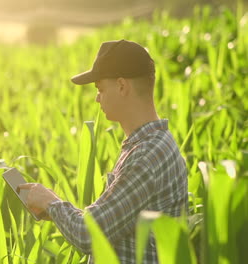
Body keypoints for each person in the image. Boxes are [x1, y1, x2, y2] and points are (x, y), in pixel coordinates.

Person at [18, 39, 188, 264]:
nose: (97, 98)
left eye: (100, 88)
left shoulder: (146, 156)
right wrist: (53, 209)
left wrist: (50, 201)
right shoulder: (152, 144)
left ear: (121, 86)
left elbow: (89, 234)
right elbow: (109, 221)